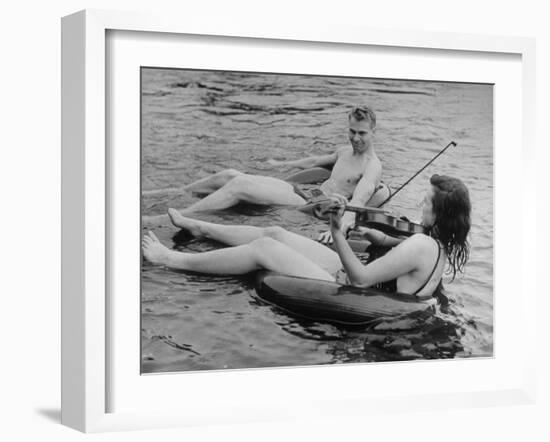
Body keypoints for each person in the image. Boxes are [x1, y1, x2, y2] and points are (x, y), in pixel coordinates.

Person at [142, 174, 471, 298]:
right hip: (357, 279)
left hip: (351, 288)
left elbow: (360, 279)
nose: (421, 204)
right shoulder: (434, 246)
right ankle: (200, 226)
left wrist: (337, 231)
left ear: (440, 213)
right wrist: (381, 238)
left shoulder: (422, 245)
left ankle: (171, 258)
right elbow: (407, 257)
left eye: (426, 202)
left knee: (265, 247)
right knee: (277, 232)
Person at [173, 106, 385, 242]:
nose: (355, 138)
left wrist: (337, 231)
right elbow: (313, 161)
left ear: (373, 132)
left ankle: (181, 215)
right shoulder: (344, 151)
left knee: (241, 186)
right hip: (309, 192)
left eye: (362, 133)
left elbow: (358, 202)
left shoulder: (372, 166)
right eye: (352, 131)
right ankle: (172, 191)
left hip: (314, 206)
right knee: (229, 174)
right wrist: (281, 163)